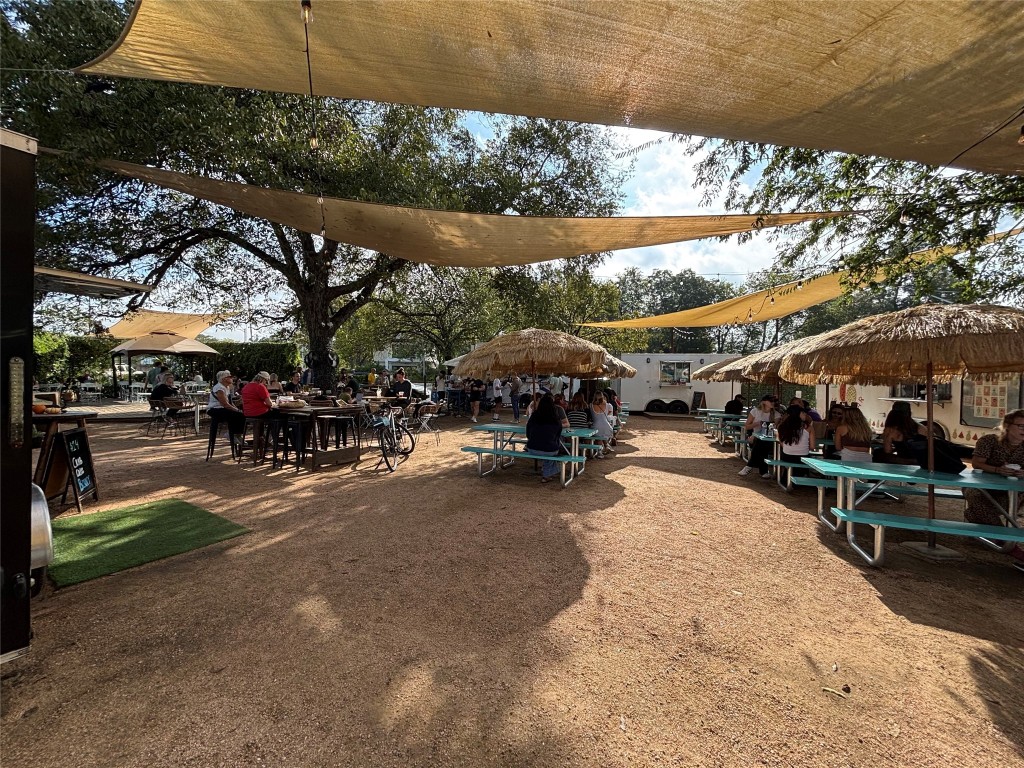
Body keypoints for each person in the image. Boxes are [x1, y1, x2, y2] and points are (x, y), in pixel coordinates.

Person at [965, 409, 1024, 569]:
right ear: (1007, 426)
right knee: (975, 496)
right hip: (982, 486)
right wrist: (998, 470)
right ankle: (1006, 542)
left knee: (982, 510)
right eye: (1020, 426)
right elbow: (977, 463)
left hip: (1012, 490)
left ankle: (975, 519)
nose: (1023, 430)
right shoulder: (989, 441)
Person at [526, 394, 566, 484]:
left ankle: (547, 475)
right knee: (553, 451)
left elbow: (528, 433)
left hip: (532, 448)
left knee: (549, 450)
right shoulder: (556, 419)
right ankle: (546, 475)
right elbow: (558, 436)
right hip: (549, 449)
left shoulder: (534, 416)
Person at [739, 395, 779, 477]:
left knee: (760, 444)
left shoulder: (776, 415)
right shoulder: (755, 411)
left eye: (774, 401)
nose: (773, 403)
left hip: (769, 440)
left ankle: (749, 466)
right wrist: (757, 424)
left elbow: (776, 429)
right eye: (771, 401)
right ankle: (763, 471)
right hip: (755, 437)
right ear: (764, 402)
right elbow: (747, 426)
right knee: (760, 444)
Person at [207, 370, 246, 443]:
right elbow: (225, 404)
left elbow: (230, 402)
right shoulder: (219, 388)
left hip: (222, 408)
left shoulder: (226, 387)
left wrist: (237, 406)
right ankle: (231, 434)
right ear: (224, 379)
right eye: (230, 377)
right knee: (237, 414)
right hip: (215, 409)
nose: (232, 378)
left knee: (241, 414)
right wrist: (236, 410)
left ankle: (237, 434)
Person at [777, 404, 815, 470]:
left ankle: (787, 475)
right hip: (803, 457)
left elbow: (781, 443)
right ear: (798, 414)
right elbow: (812, 447)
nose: (805, 414)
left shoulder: (781, 426)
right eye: (803, 412)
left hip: (786, 456)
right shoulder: (808, 427)